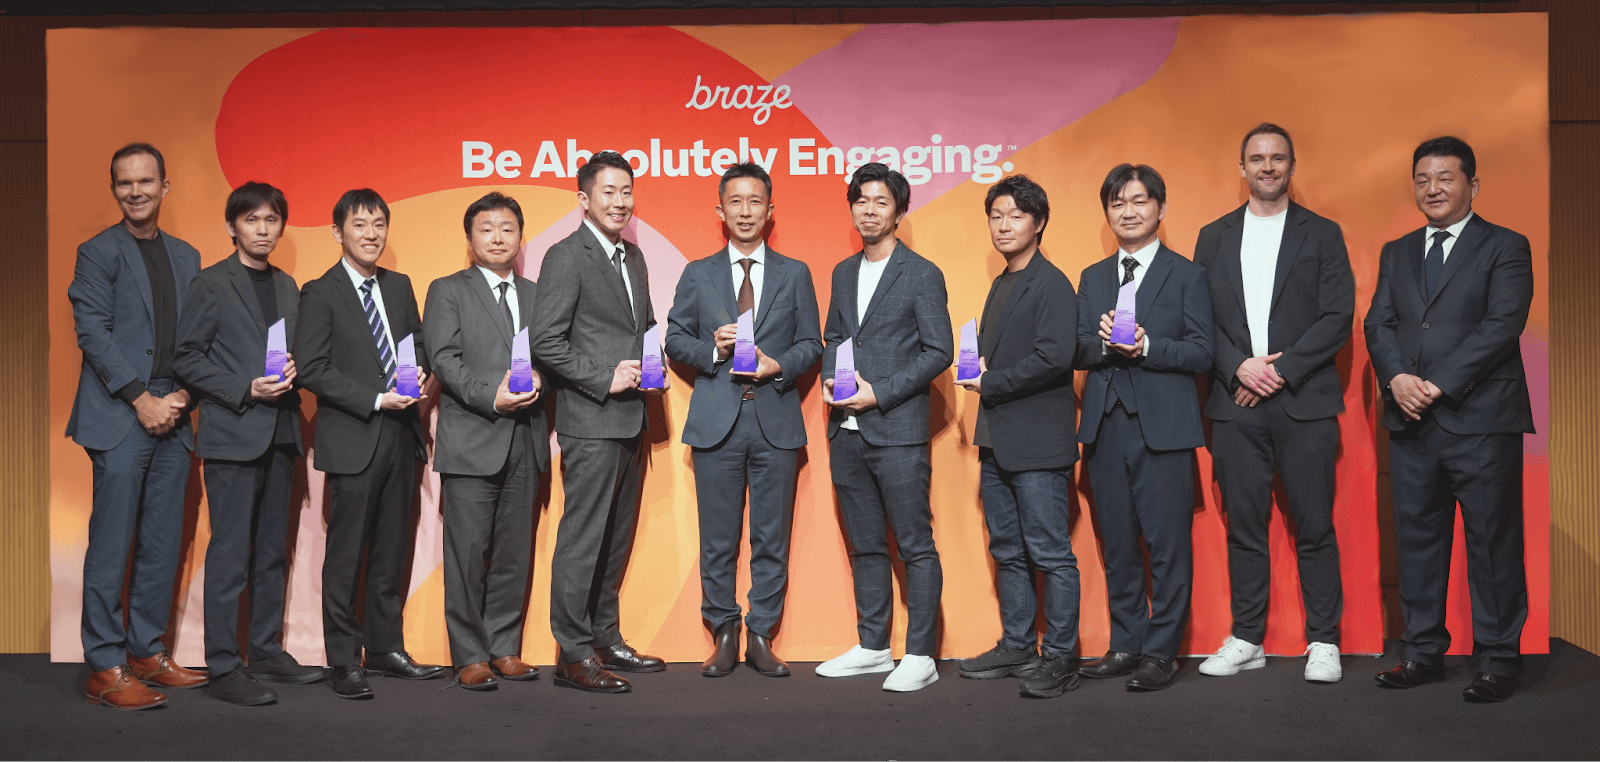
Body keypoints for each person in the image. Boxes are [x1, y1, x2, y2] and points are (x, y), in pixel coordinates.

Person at [1365, 136, 1534, 703]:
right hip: (1411, 421)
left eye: (1445, 178)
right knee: (1417, 542)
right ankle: (1422, 653)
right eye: (1422, 179)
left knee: (1492, 543)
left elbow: (1502, 323)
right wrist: (1396, 379)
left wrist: (1436, 385)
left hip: (1481, 419)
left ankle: (1497, 660)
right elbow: (1378, 325)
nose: (1432, 188)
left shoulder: (1506, 246)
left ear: (1472, 185)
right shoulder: (1397, 250)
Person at [1193, 124, 1355, 684]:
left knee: (1314, 526)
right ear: (1242, 168)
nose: (1267, 167)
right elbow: (1200, 322)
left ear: (1291, 165)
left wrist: (1277, 371)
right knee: (1245, 527)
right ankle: (1246, 637)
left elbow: (1337, 316)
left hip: (1303, 404)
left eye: (1277, 158)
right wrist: (1239, 365)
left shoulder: (1323, 234)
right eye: (1257, 159)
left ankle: (1324, 640)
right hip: (1235, 403)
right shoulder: (1212, 238)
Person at [665, 163, 823, 678]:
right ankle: (723, 633)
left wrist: (781, 365)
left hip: (775, 419)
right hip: (716, 421)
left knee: (771, 538)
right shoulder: (697, 272)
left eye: (756, 201)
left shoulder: (795, 272)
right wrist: (711, 347)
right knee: (719, 539)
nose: (746, 211)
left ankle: (761, 635)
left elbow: (812, 345)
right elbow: (673, 339)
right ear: (720, 211)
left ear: (770, 210)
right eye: (736, 201)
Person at [172, 181, 326, 705]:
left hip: (282, 433)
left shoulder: (287, 285)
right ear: (232, 226)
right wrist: (243, 387)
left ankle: (263, 649)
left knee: (271, 555)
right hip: (232, 433)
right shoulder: (211, 283)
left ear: (283, 225)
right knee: (231, 554)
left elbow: (297, 354)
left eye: (271, 220)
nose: (263, 229)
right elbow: (186, 357)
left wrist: (299, 370)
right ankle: (222, 664)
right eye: (252, 220)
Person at [68, 143, 207, 709]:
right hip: (120, 414)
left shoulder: (188, 256)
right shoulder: (96, 253)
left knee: (160, 542)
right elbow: (93, 333)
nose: (136, 191)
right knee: (111, 544)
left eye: (146, 181)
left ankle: (147, 653)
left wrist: (181, 395)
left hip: (175, 411)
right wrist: (138, 399)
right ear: (114, 190)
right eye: (124, 183)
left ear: (164, 187)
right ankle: (104, 664)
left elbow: (198, 338)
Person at [295, 188, 444, 699]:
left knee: (391, 550)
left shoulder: (400, 286)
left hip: (403, 440)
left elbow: (417, 344)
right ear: (338, 232)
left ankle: (384, 649)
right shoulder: (319, 292)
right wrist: (377, 398)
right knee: (346, 554)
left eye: (379, 224)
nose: (371, 234)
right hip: (355, 435)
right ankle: (343, 658)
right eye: (360, 225)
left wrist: (421, 372)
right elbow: (311, 369)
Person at [529, 150, 668, 693]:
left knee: (614, 537)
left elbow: (644, 326)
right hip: (590, 418)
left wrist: (651, 365)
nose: (620, 201)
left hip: (633, 418)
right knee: (583, 538)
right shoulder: (566, 256)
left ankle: (604, 637)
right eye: (608, 192)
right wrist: (601, 376)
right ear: (584, 199)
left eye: (626, 191)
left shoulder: (632, 257)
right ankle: (571, 653)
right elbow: (546, 341)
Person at [1074, 164, 1213, 692]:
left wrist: (1149, 346)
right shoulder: (1092, 276)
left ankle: (1161, 651)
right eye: (1117, 203)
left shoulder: (1187, 274)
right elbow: (1078, 347)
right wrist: (1104, 343)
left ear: (1160, 208)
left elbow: (1204, 353)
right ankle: (1126, 643)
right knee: (1118, 545)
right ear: (1107, 212)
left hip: (1165, 428)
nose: (1127, 212)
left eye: (1138, 201)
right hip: (1106, 425)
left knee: (1167, 543)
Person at [815, 163, 953, 693]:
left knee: (915, 543)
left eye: (881, 202)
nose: (869, 210)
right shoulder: (843, 272)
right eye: (861, 201)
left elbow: (939, 349)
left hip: (896, 430)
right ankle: (874, 646)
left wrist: (883, 391)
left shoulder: (922, 272)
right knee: (866, 544)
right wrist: (831, 380)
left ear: (900, 210)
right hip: (845, 431)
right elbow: (833, 337)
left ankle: (921, 653)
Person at [952, 175, 1082, 698]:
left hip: (1037, 443)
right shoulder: (1002, 281)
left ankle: (1062, 656)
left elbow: (1056, 357)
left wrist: (991, 382)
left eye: (1016, 216)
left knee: (1050, 552)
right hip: (998, 441)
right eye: (996, 215)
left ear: (1040, 223)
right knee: (1007, 549)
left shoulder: (1051, 283)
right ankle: (1017, 643)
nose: (1004, 225)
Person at [424, 192, 550, 691]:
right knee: (468, 553)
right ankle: (469, 654)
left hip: (527, 439)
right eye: (486, 229)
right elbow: (443, 359)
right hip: (473, 436)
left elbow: (553, 352)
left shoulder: (538, 294)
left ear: (520, 238)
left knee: (513, 554)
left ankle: (504, 648)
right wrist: (491, 397)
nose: (498, 238)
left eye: (507, 229)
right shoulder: (448, 289)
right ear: (470, 238)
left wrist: (542, 377)